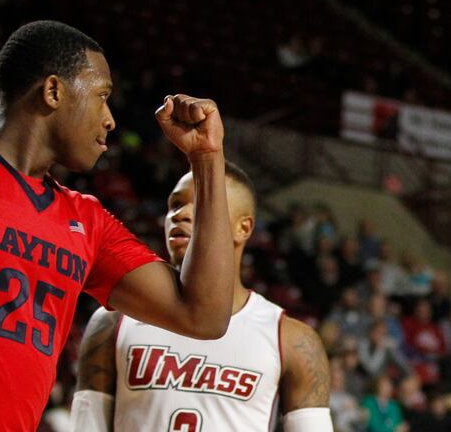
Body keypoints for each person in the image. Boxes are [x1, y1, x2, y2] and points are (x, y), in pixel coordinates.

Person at [0, 21, 236, 430]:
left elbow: (203, 316)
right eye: (102, 97)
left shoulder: (88, 221)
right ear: (53, 92)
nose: (110, 120)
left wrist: (207, 159)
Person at [71, 165, 333, 431]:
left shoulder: (291, 339)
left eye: (201, 206)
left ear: (243, 228)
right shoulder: (113, 321)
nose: (180, 215)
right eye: (175, 205)